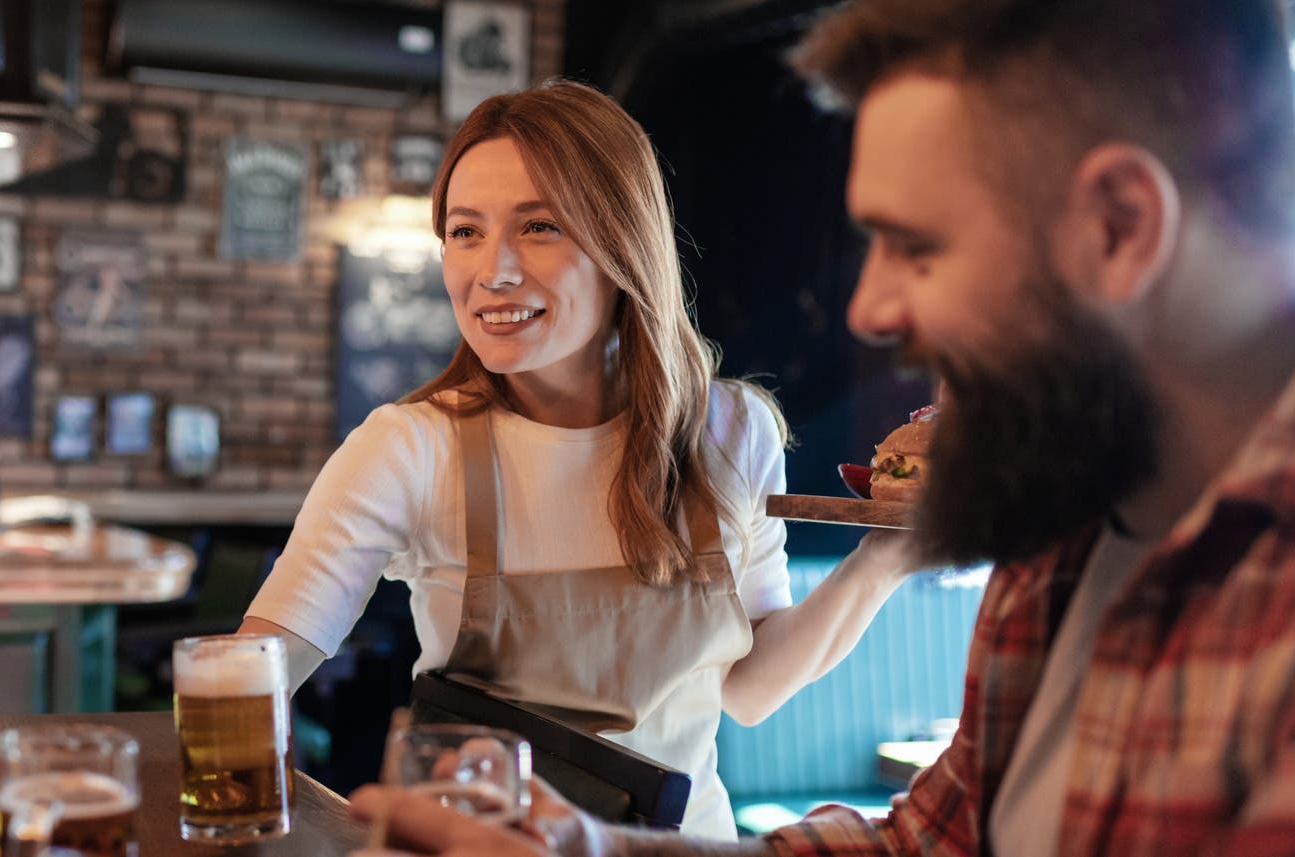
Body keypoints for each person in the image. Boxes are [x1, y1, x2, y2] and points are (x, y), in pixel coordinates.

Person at [347, 0, 1295, 854]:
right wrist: (594, 850)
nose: (870, 309)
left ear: (1120, 226)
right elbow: (927, 841)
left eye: (918, 247)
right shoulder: (1065, 544)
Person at [239, 80, 916, 838]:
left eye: (539, 226)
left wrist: (887, 557)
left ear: (622, 241)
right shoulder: (407, 448)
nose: (492, 271)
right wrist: (322, 829)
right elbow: (248, 683)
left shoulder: (732, 430)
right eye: (464, 231)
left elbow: (751, 689)